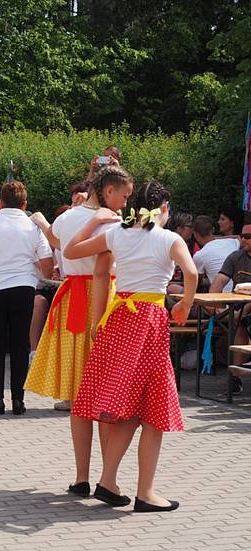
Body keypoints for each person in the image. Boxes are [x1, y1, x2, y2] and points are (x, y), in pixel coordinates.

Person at [64, 182, 196, 512]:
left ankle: (109, 482)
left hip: (118, 315)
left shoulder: (119, 234)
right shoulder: (169, 239)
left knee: (130, 406)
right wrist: (185, 306)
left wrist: (95, 220)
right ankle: (145, 492)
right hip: (149, 320)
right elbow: (191, 273)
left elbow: (71, 251)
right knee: (152, 408)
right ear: (164, 207)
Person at [26, 165, 133, 496]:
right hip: (102, 300)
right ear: (110, 191)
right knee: (102, 394)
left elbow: (58, 243)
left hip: (69, 296)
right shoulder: (112, 220)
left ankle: (81, 476)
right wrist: (100, 318)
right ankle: (107, 477)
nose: (126, 204)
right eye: (125, 196)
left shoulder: (69, 215)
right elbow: (102, 272)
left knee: (78, 394)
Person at [0, 181, 54, 415]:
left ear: (0, 202)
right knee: (19, 345)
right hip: (23, 287)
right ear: (25, 203)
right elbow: (47, 265)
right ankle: (18, 399)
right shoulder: (32, 226)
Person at [207, 223, 251, 392]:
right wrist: (213, 305)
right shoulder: (236, 257)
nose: (243, 239)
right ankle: (235, 378)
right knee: (239, 322)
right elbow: (218, 282)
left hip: (245, 310)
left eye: (248, 237)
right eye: (242, 236)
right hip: (239, 309)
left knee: (240, 320)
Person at [192, 215, 238, 293]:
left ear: (196, 234)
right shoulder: (232, 242)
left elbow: (196, 282)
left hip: (221, 295)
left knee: (172, 288)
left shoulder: (199, 255)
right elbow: (239, 237)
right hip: (240, 290)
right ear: (212, 230)